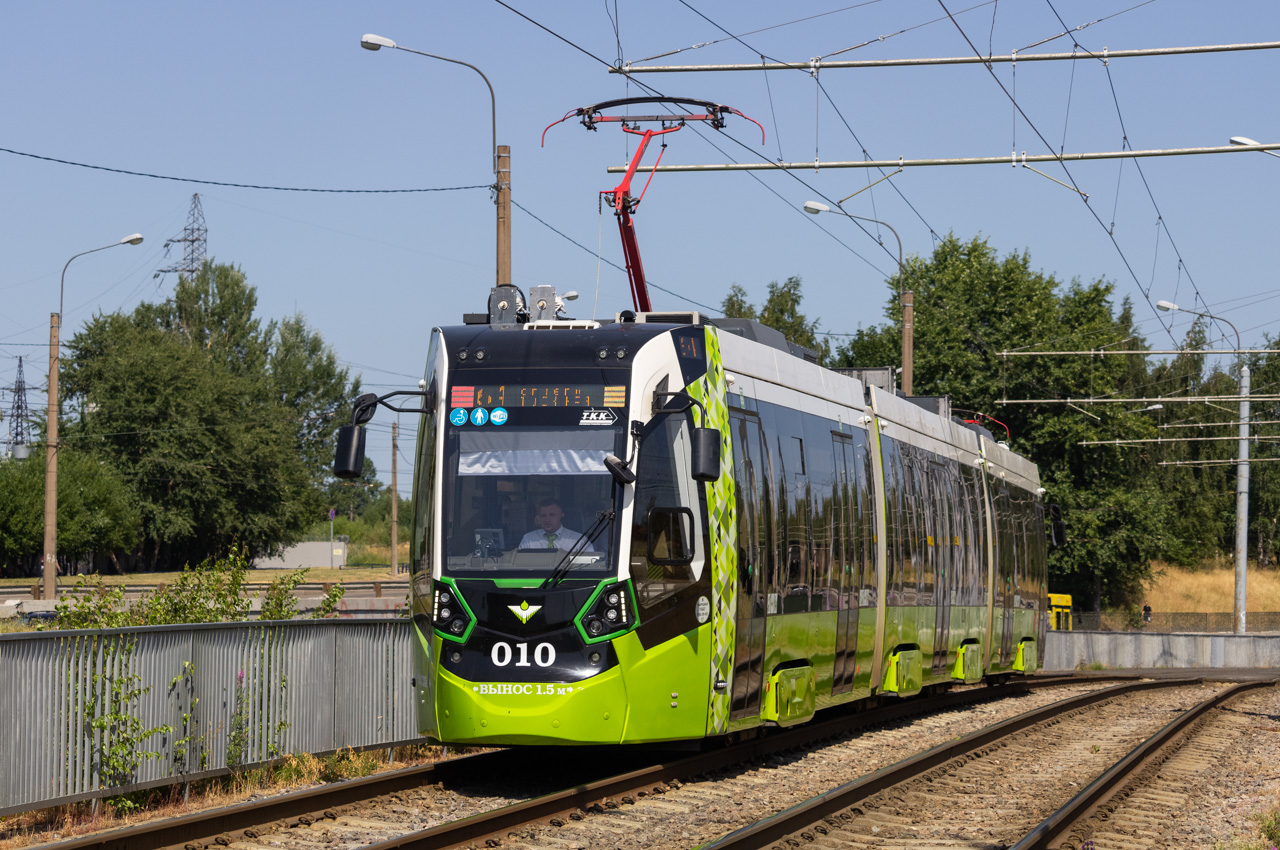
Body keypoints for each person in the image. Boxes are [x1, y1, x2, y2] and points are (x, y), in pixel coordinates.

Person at [519, 499, 595, 551]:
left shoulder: (578, 541)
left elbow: (590, 568)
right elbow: (519, 566)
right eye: (543, 516)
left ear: (562, 515)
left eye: (552, 515)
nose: (547, 520)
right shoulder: (528, 540)